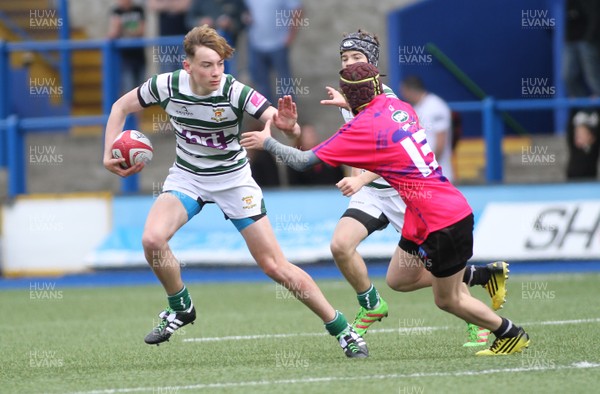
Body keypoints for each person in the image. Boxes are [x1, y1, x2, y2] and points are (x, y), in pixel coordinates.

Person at [102, 25, 368, 358]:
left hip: (234, 181)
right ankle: (180, 307)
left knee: (274, 266)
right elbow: (120, 107)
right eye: (206, 65)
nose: (216, 72)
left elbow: (286, 127)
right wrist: (108, 150)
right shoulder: (166, 85)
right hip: (188, 177)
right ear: (188, 67)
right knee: (152, 240)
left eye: (220, 64)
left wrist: (290, 127)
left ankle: (342, 329)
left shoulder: (234, 92)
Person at [241, 62, 531, 356]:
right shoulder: (400, 106)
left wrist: (267, 143)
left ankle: (509, 333)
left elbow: (303, 161)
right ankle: (481, 276)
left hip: (439, 219)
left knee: (448, 300)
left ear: (350, 95)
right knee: (399, 279)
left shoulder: (361, 128)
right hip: (427, 212)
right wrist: (354, 103)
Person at [318, 29, 508, 347]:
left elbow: (388, 154)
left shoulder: (388, 101)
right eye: (344, 58)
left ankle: (479, 319)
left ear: (373, 65)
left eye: (357, 58)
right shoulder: (349, 94)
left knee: (431, 268)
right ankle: (372, 304)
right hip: (372, 194)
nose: (349, 64)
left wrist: (359, 178)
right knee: (340, 246)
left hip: (405, 194)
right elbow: (357, 144)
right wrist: (358, 180)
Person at [244, 0, 303, 103]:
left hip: (278, 44)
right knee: (261, 81)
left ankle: (289, 112)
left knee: (284, 80)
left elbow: (297, 10)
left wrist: (291, 36)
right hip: (256, 44)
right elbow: (244, 9)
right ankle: (266, 113)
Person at [400, 75, 454, 181]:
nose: (402, 95)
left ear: (409, 90)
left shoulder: (435, 106)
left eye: (403, 91)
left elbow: (441, 141)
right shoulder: (415, 108)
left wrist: (431, 167)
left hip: (439, 173)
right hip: (424, 173)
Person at [186, 0, 249, 74]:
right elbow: (189, 20)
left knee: (231, 75)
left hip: (232, 47)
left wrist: (231, 24)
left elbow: (244, 21)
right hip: (204, 46)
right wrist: (200, 22)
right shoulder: (200, 2)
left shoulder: (236, 2)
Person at [562, 0, 600, 98]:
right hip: (570, 42)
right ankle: (587, 110)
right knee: (568, 76)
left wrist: (588, 38)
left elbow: (595, 16)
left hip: (587, 41)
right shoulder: (562, 3)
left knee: (592, 78)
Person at [107, 0, 146, 94]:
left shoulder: (138, 10)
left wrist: (123, 28)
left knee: (142, 91)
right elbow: (112, 34)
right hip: (124, 58)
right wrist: (117, 28)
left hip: (139, 56)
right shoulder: (116, 11)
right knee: (128, 88)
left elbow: (141, 31)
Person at [148, 0, 192, 72]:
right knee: (166, 72)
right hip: (165, 40)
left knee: (185, 70)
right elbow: (152, 5)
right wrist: (174, 5)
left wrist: (164, 4)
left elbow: (186, 5)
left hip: (184, 38)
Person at [566, 108, 600, 179]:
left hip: (591, 178)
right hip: (573, 177)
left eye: (584, 134)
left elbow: (597, 131)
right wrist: (573, 107)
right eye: (578, 136)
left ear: (591, 137)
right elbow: (570, 128)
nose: (580, 137)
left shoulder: (594, 146)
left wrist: (597, 107)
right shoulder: (574, 146)